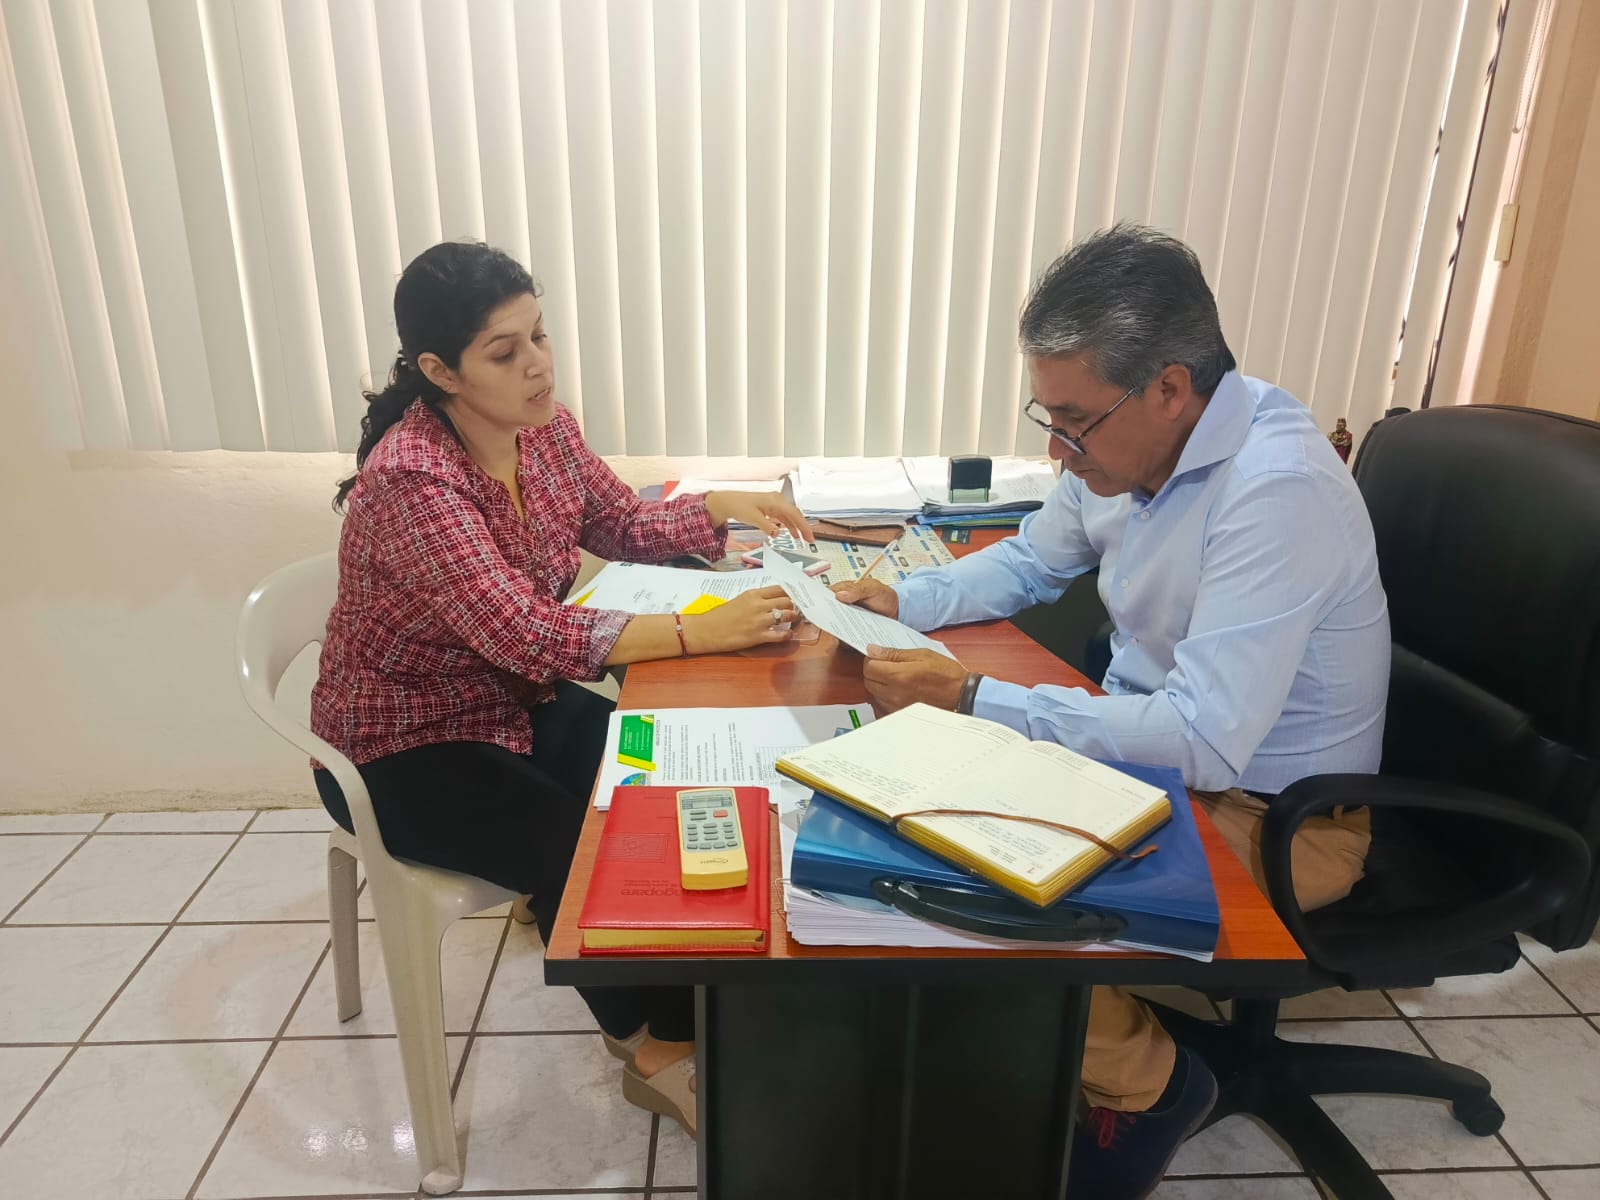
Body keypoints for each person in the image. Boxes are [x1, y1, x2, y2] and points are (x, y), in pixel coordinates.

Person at [833, 224, 1389, 1199]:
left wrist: (974, 698)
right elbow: (1030, 558)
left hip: (1280, 817)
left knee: (972, 884)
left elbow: (1204, 742)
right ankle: (1042, 1049)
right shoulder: (1125, 456)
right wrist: (902, 600)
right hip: (1159, 754)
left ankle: (1151, 1088)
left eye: (1074, 421)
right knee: (916, 819)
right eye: (1046, 415)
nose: (1056, 449)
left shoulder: (1276, 490)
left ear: (1169, 388)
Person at [310, 241, 813, 1138]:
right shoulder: (413, 482)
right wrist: (704, 629)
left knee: (658, 791)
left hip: (511, 702)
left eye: (539, 336)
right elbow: (529, 635)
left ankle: (682, 1002)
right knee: (585, 852)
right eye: (505, 353)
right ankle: (656, 1049)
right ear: (440, 371)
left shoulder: (544, 428)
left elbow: (619, 522)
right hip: (402, 743)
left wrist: (720, 505)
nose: (538, 365)